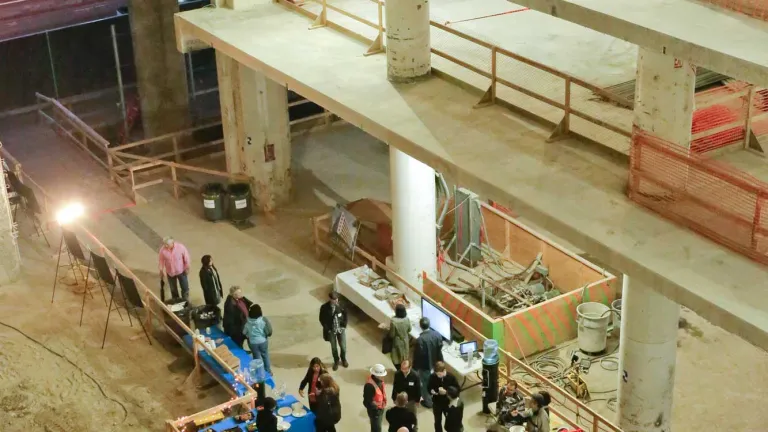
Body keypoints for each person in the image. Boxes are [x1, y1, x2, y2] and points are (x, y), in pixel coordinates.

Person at [413, 317, 444, 408]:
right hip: (437, 364)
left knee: (425, 384)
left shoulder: (420, 340)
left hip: (425, 366)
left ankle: (429, 402)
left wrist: (414, 368)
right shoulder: (437, 334)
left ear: (420, 326)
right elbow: (440, 347)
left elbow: (417, 356)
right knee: (437, 382)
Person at [319, 291, 348, 371]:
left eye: (337, 299)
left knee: (343, 346)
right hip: (331, 331)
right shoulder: (324, 307)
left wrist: (344, 326)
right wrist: (327, 329)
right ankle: (336, 361)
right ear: (330, 299)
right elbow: (322, 319)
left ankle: (343, 359)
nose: (336, 301)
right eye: (334, 300)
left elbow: (345, 315)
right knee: (334, 347)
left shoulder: (341, 306)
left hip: (340, 329)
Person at [428, 361, 460, 432]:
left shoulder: (451, 377)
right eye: (437, 374)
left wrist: (446, 392)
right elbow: (429, 387)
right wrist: (432, 391)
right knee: (437, 421)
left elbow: (457, 390)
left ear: (444, 370)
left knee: (450, 421)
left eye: (439, 374)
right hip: (437, 402)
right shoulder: (433, 376)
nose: (438, 376)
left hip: (448, 403)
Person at [243, 304, 273, 375]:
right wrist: (266, 335)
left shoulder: (247, 322)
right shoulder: (263, 320)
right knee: (265, 355)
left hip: (253, 343)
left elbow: (244, 332)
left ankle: (259, 373)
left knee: (256, 358)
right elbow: (269, 331)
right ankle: (268, 371)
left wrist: (248, 336)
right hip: (263, 341)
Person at [363, 364, 388, 432]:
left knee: (377, 427)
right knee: (376, 429)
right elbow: (367, 402)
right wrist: (376, 408)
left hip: (380, 408)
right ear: (377, 375)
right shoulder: (369, 386)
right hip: (375, 412)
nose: (383, 376)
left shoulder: (379, 381)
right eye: (382, 375)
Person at [389, 304, 412, 371]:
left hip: (397, 341)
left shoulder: (393, 321)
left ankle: (400, 370)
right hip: (405, 340)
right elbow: (409, 329)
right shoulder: (407, 319)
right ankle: (405, 369)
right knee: (404, 357)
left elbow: (392, 334)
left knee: (396, 358)